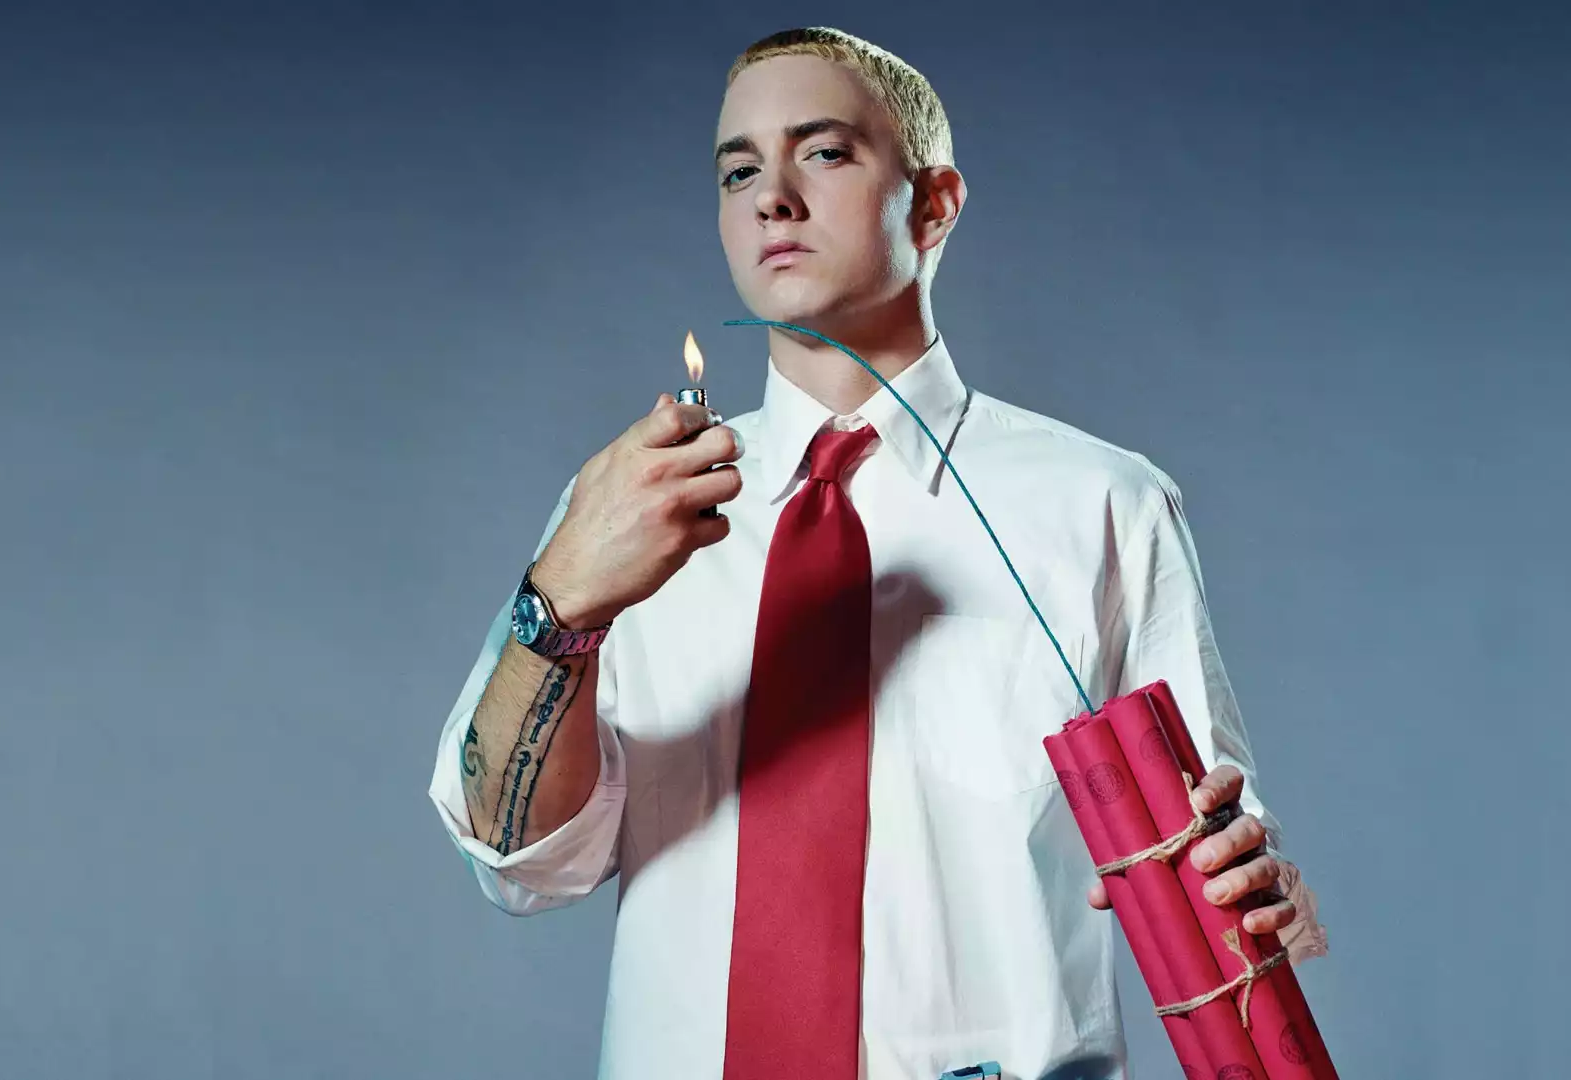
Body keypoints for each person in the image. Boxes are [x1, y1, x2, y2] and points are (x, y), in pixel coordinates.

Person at [427, 26, 1329, 1080]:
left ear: (934, 205)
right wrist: (563, 606)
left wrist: (1252, 883)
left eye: (823, 152)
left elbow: (1218, 861)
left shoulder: (1104, 505)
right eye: (738, 171)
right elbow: (520, 864)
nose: (772, 199)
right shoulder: (626, 512)